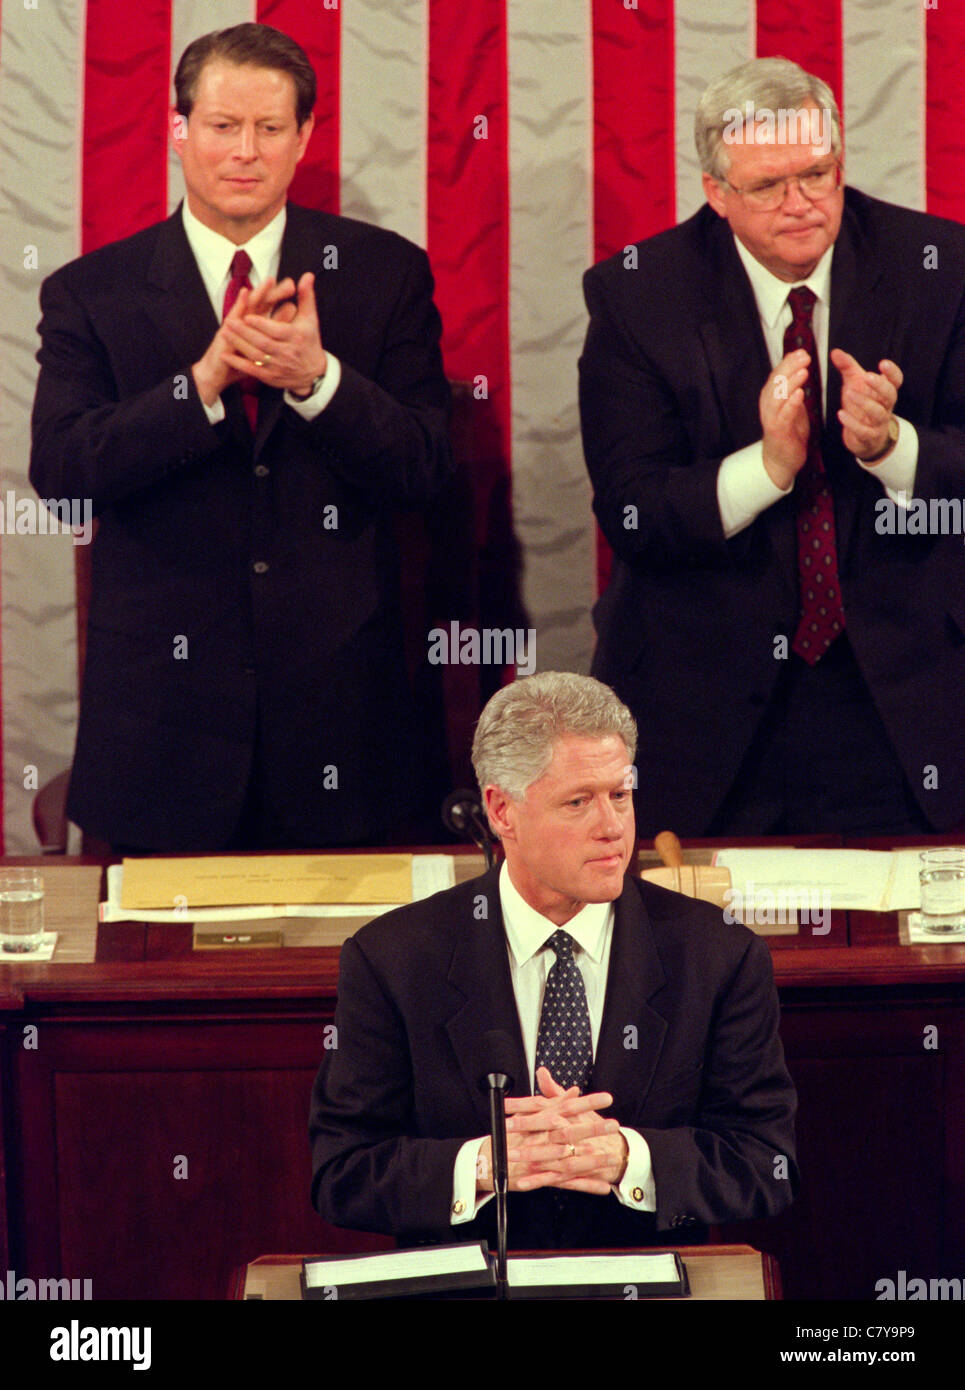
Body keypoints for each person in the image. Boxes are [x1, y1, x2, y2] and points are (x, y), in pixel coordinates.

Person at [30, 22, 451, 851]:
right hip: (161, 734)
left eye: (269, 128)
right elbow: (64, 471)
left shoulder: (384, 272)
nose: (244, 151)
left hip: (344, 730)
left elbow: (426, 468)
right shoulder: (91, 291)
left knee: (343, 977)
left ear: (304, 138)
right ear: (179, 133)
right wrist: (203, 386)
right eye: (222, 126)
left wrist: (317, 381)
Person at [580, 56, 965, 838]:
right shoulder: (636, 294)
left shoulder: (940, 268)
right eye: (766, 186)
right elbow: (631, 511)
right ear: (715, 192)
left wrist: (893, 448)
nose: (800, 205)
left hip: (904, 692)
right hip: (708, 701)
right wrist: (765, 468)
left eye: (816, 174)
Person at [309, 672, 797, 1250]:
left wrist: (627, 1159)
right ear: (501, 811)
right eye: (578, 802)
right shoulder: (392, 959)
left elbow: (768, 1163)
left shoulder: (719, 956)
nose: (613, 827)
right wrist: (484, 1164)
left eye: (620, 794)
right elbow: (341, 1172)